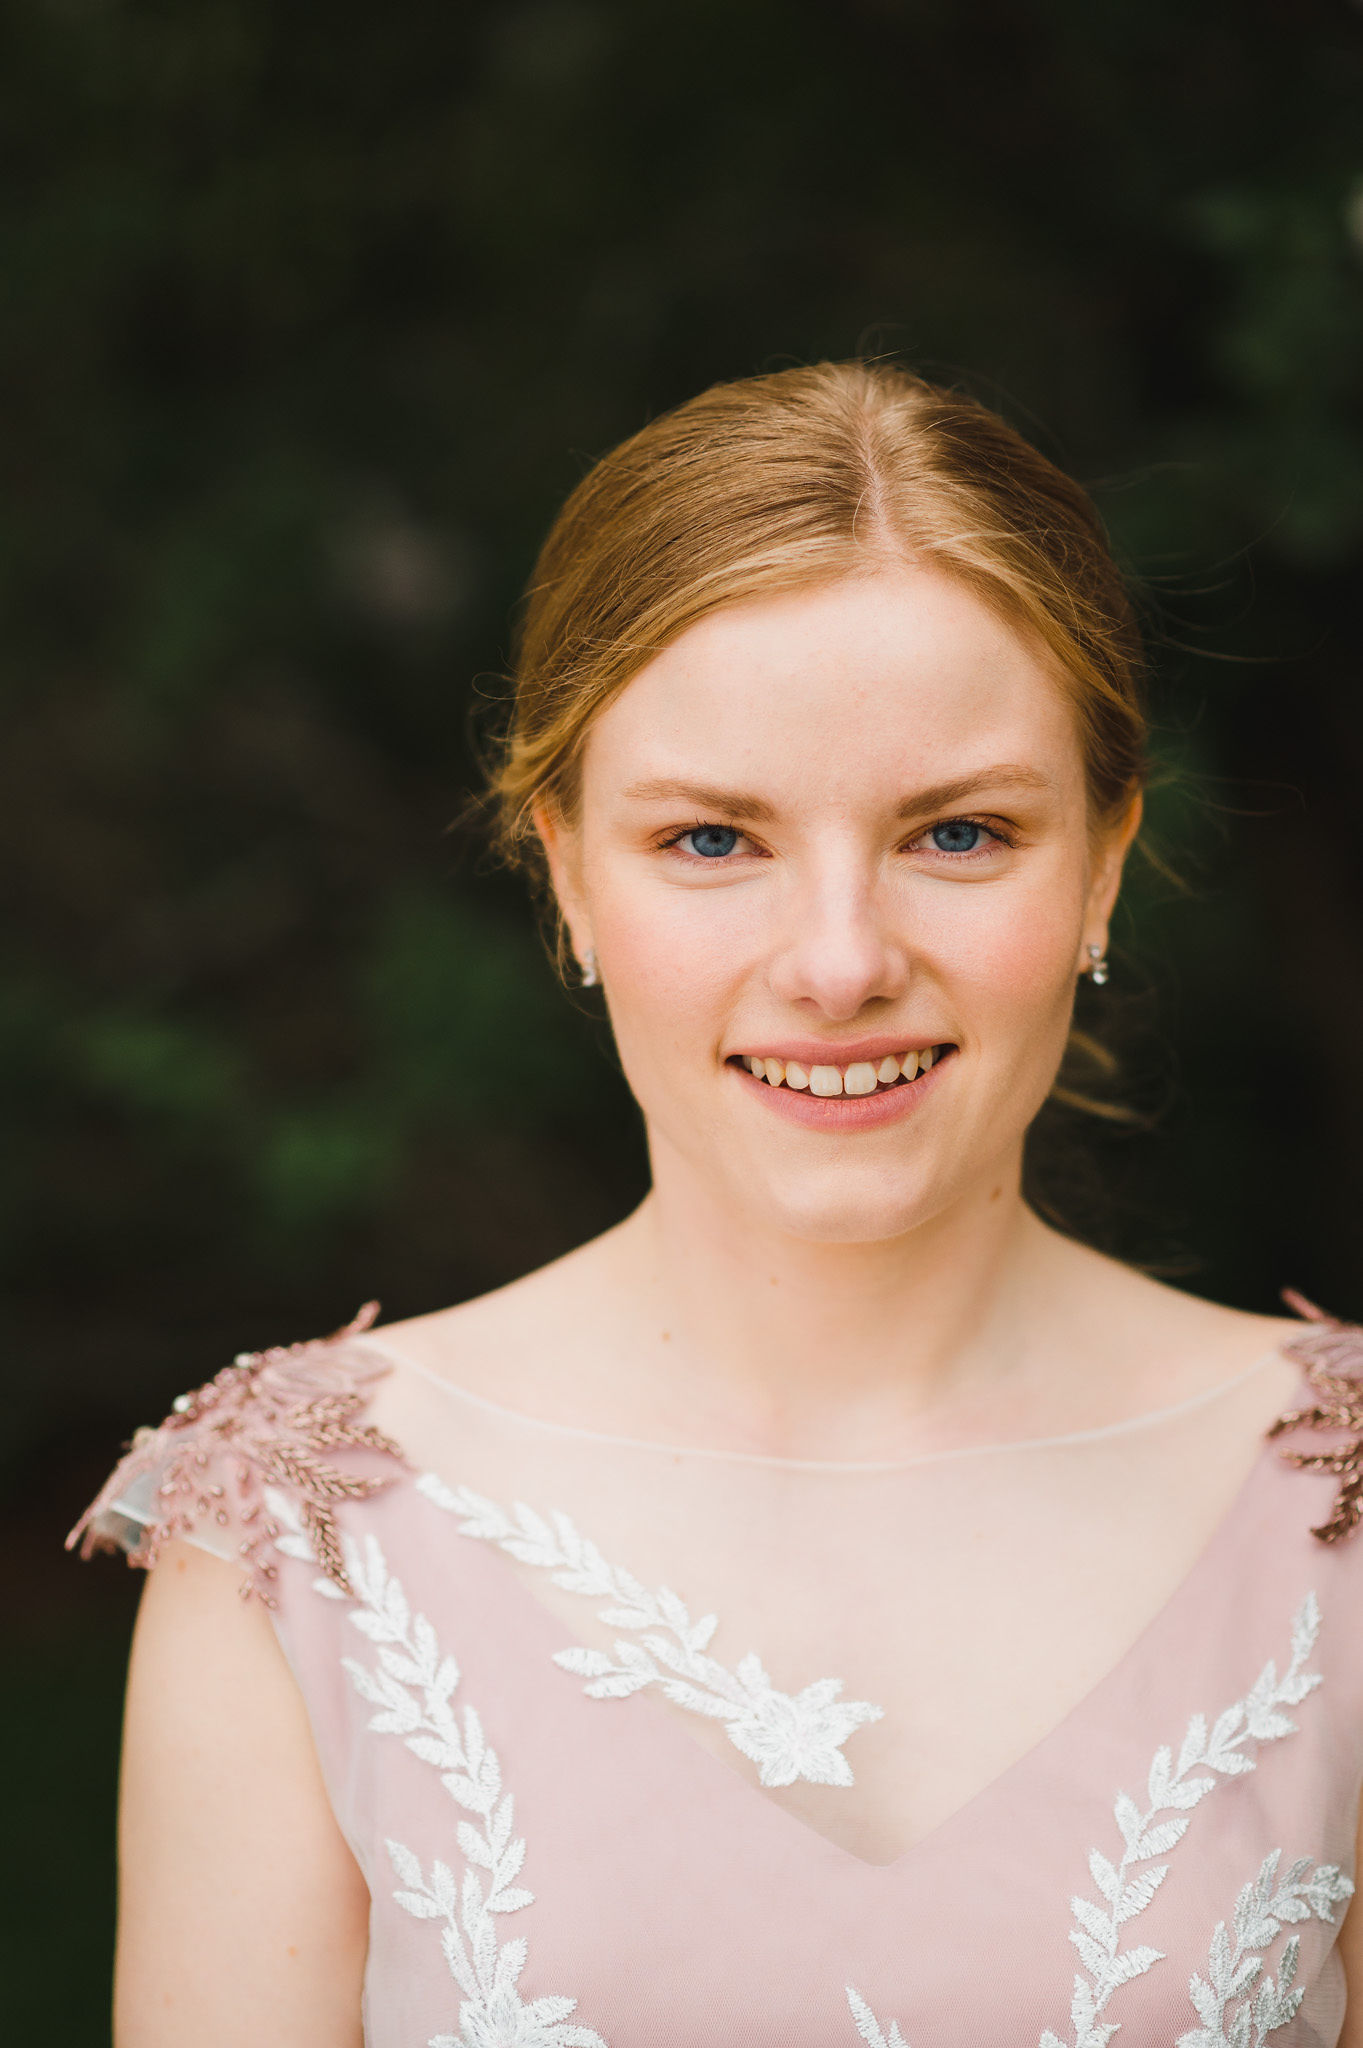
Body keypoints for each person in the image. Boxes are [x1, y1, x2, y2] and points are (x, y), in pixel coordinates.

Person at [74, 361, 1363, 2048]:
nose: (839, 963)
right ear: (567, 872)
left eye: (960, 834)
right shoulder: (298, 1537)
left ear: (1104, 862)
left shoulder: (1342, 1512)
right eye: (708, 841)